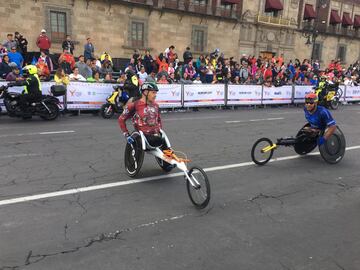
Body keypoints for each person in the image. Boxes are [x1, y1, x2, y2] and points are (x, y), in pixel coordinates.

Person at [118, 82, 172, 154]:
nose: (155, 95)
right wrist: (126, 134)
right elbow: (121, 119)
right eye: (153, 93)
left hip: (156, 135)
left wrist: (159, 131)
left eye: (156, 93)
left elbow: (159, 120)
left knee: (169, 152)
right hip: (143, 136)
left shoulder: (156, 105)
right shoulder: (134, 105)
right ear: (145, 92)